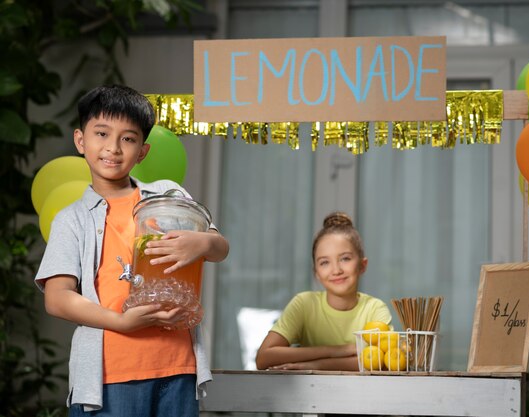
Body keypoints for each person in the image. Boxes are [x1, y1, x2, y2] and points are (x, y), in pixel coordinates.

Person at [34, 85, 229, 416]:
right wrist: (121, 322)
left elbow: (219, 248)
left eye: (128, 138)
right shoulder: (72, 219)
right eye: (102, 134)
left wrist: (204, 241)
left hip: (178, 367)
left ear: (143, 150)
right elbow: (57, 298)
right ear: (81, 141)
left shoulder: (167, 194)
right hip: (109, 375)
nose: (113, 147)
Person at [255, 212, 392, 371]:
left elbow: (383, 362)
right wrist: (339, 351)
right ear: (316, 273)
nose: (336, 270)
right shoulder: (304, 304)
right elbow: (264, 358)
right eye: (324, 262)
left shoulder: (374, 308)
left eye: (345, 258)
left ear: (362, 265)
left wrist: (315, 365)